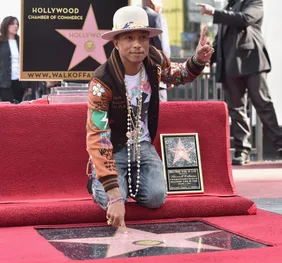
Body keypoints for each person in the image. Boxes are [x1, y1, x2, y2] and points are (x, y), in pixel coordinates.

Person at [86, 6, 214, 229]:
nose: (137, 44)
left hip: (142, 145)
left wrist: (197, 60)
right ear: (116, 42)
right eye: (129, 38)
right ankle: (98, 181)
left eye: (142, 37)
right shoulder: (102, 81)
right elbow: (98, 134)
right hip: (114, 147)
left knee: (156, 198)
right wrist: (114, 194)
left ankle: (126, 182)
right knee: (114, 198)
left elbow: (175, 75)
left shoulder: (154, 59)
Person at [197, 0, 282, 165]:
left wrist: (214, 12)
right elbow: (221, 41)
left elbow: (244, 19)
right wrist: (209, 57)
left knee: (263, 104)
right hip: (230, 66)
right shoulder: (228, 7)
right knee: (236, 110)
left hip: (253, 62)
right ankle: (242, 150)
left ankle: (280, 146)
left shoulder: (254, 2)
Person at [143, 0, 171, 101]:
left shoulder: (134, 18)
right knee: (161, 114)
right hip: (157, 81)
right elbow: (163, 52)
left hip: (136, 84)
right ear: (153, 2)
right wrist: (168, 77)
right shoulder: (157, 17)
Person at [0, 16, 30, 103]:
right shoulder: (1, 42)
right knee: (9, 108)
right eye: (13, 24)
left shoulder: (21, 42)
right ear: (6, 25)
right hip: (4, 83)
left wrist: (29, 85)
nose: (16, 26)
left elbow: (27, 63)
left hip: (20, 82)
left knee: (18, 108)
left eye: (17, 24)